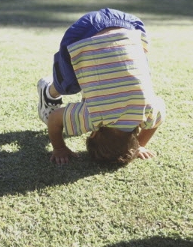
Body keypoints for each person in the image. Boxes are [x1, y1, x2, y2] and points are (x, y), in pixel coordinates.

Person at [36, 8, 165, 165]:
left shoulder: (147, 111)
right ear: (93, 133)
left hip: (130, 25)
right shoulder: (95, 117)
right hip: (83, 33)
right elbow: (54, 119)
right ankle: (49, 90)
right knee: (69, 84)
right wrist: (59, 149)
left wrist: (141, 144)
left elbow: (159, 118)